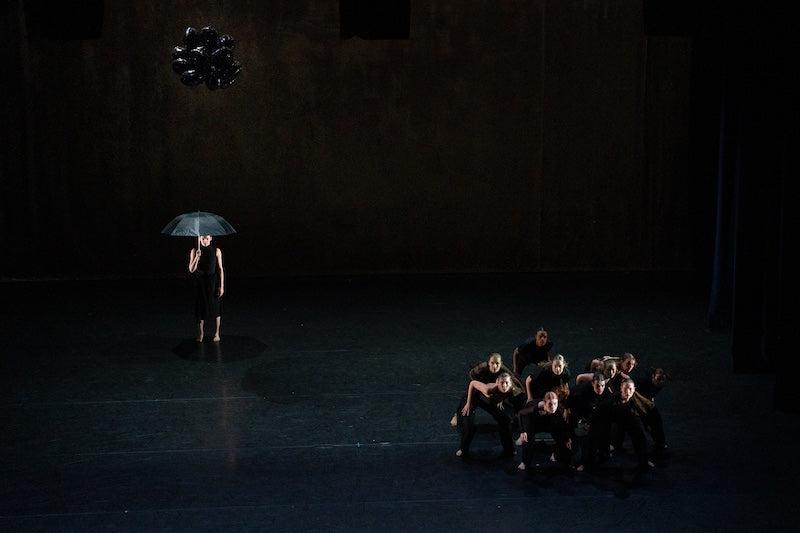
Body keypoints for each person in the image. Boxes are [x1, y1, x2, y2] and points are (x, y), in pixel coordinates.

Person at [450, 353, 525, 427]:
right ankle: (458, 416)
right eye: (492, 363)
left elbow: (513, 377)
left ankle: (517, 415)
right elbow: (472, 379)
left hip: (493, 384)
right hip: (480, 381)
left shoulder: (503, 371)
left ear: (501, 364)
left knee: (514, 393)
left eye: (497, 364)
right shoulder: (481, 368)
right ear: (489, 363)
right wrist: (469, 401)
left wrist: (522, 389)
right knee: (471, 397)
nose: (494, 366)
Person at [456, 373, 516, 460]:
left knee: (506, 421)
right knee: (469, 426)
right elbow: (473, 383)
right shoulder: (489, 389)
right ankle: (463, 449)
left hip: (488, 402)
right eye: (502, 383)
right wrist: (468, 403)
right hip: (474, 399)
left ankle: (509, 449)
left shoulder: (510, 390)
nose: (504, 385)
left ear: (510, 383)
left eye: (506, 383)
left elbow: (503, 395)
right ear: (497, 382)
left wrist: (500, 401)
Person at [515, 391, 574, 471]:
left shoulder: (557, 409)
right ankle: (524, 462)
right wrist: (522, 432)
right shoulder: (537, 407)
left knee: (562, 436)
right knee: (527, 438)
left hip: (546, 419)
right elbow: (520, 413)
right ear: (545, 403)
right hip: (530, 419)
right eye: (550, 404)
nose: (553, 407)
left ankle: (556, 455)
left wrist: (567, 438)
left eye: (555, 404)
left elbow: (562, 425)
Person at [188, 235, 224, 342]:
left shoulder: (216, 251)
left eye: (207, 238)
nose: (205, 240)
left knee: (216, 307)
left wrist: (221, 286)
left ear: (211, 238)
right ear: (199, 238)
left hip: (213, 282)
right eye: (203, 238)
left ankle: (217, 333)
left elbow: (220, 269)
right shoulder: (195, 250)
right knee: (200, 307)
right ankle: (200, 333)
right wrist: (196, 257)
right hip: (200, 282)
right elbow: (191, 269)